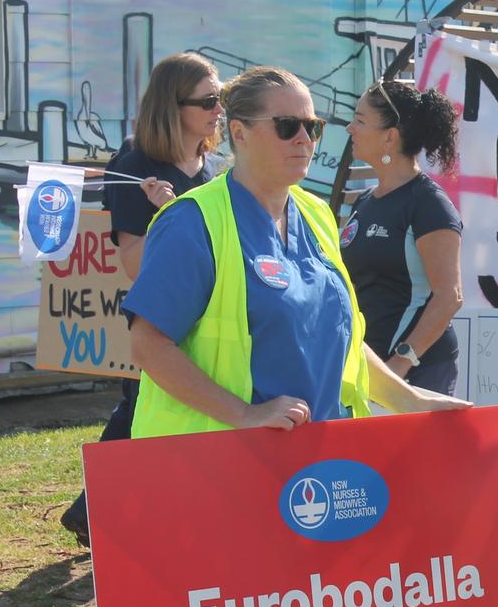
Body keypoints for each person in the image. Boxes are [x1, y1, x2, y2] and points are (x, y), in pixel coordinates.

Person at [125, 66, 468, 439]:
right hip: (223, 464)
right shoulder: (192, 222)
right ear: (239, 133)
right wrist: (245, 413)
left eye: (313, 127)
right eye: (288, 126)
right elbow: (148, 346)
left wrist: (410, 400)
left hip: (319, 458)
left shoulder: (316, 214)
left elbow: (346, 341)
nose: (305, 139)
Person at [60, 52, 225, 546]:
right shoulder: (136, 166)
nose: (221, 110)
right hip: (161, 316)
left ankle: (92, 510)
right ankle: (98, 511)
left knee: (140, 411)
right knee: (141, 412)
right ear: (174, 107)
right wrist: (170, 216)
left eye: (223, 98)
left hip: (208, 314)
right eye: (210, 101)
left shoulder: (209, 164)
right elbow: (132, 259)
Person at [341, 81, 463, 394]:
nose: (349, 128)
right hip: (369, 368)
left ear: (390, 137)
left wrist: (400, 362)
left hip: (414, 374)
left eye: (360, 120)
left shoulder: (428, 204)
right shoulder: (367, 200)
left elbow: (449, 296)